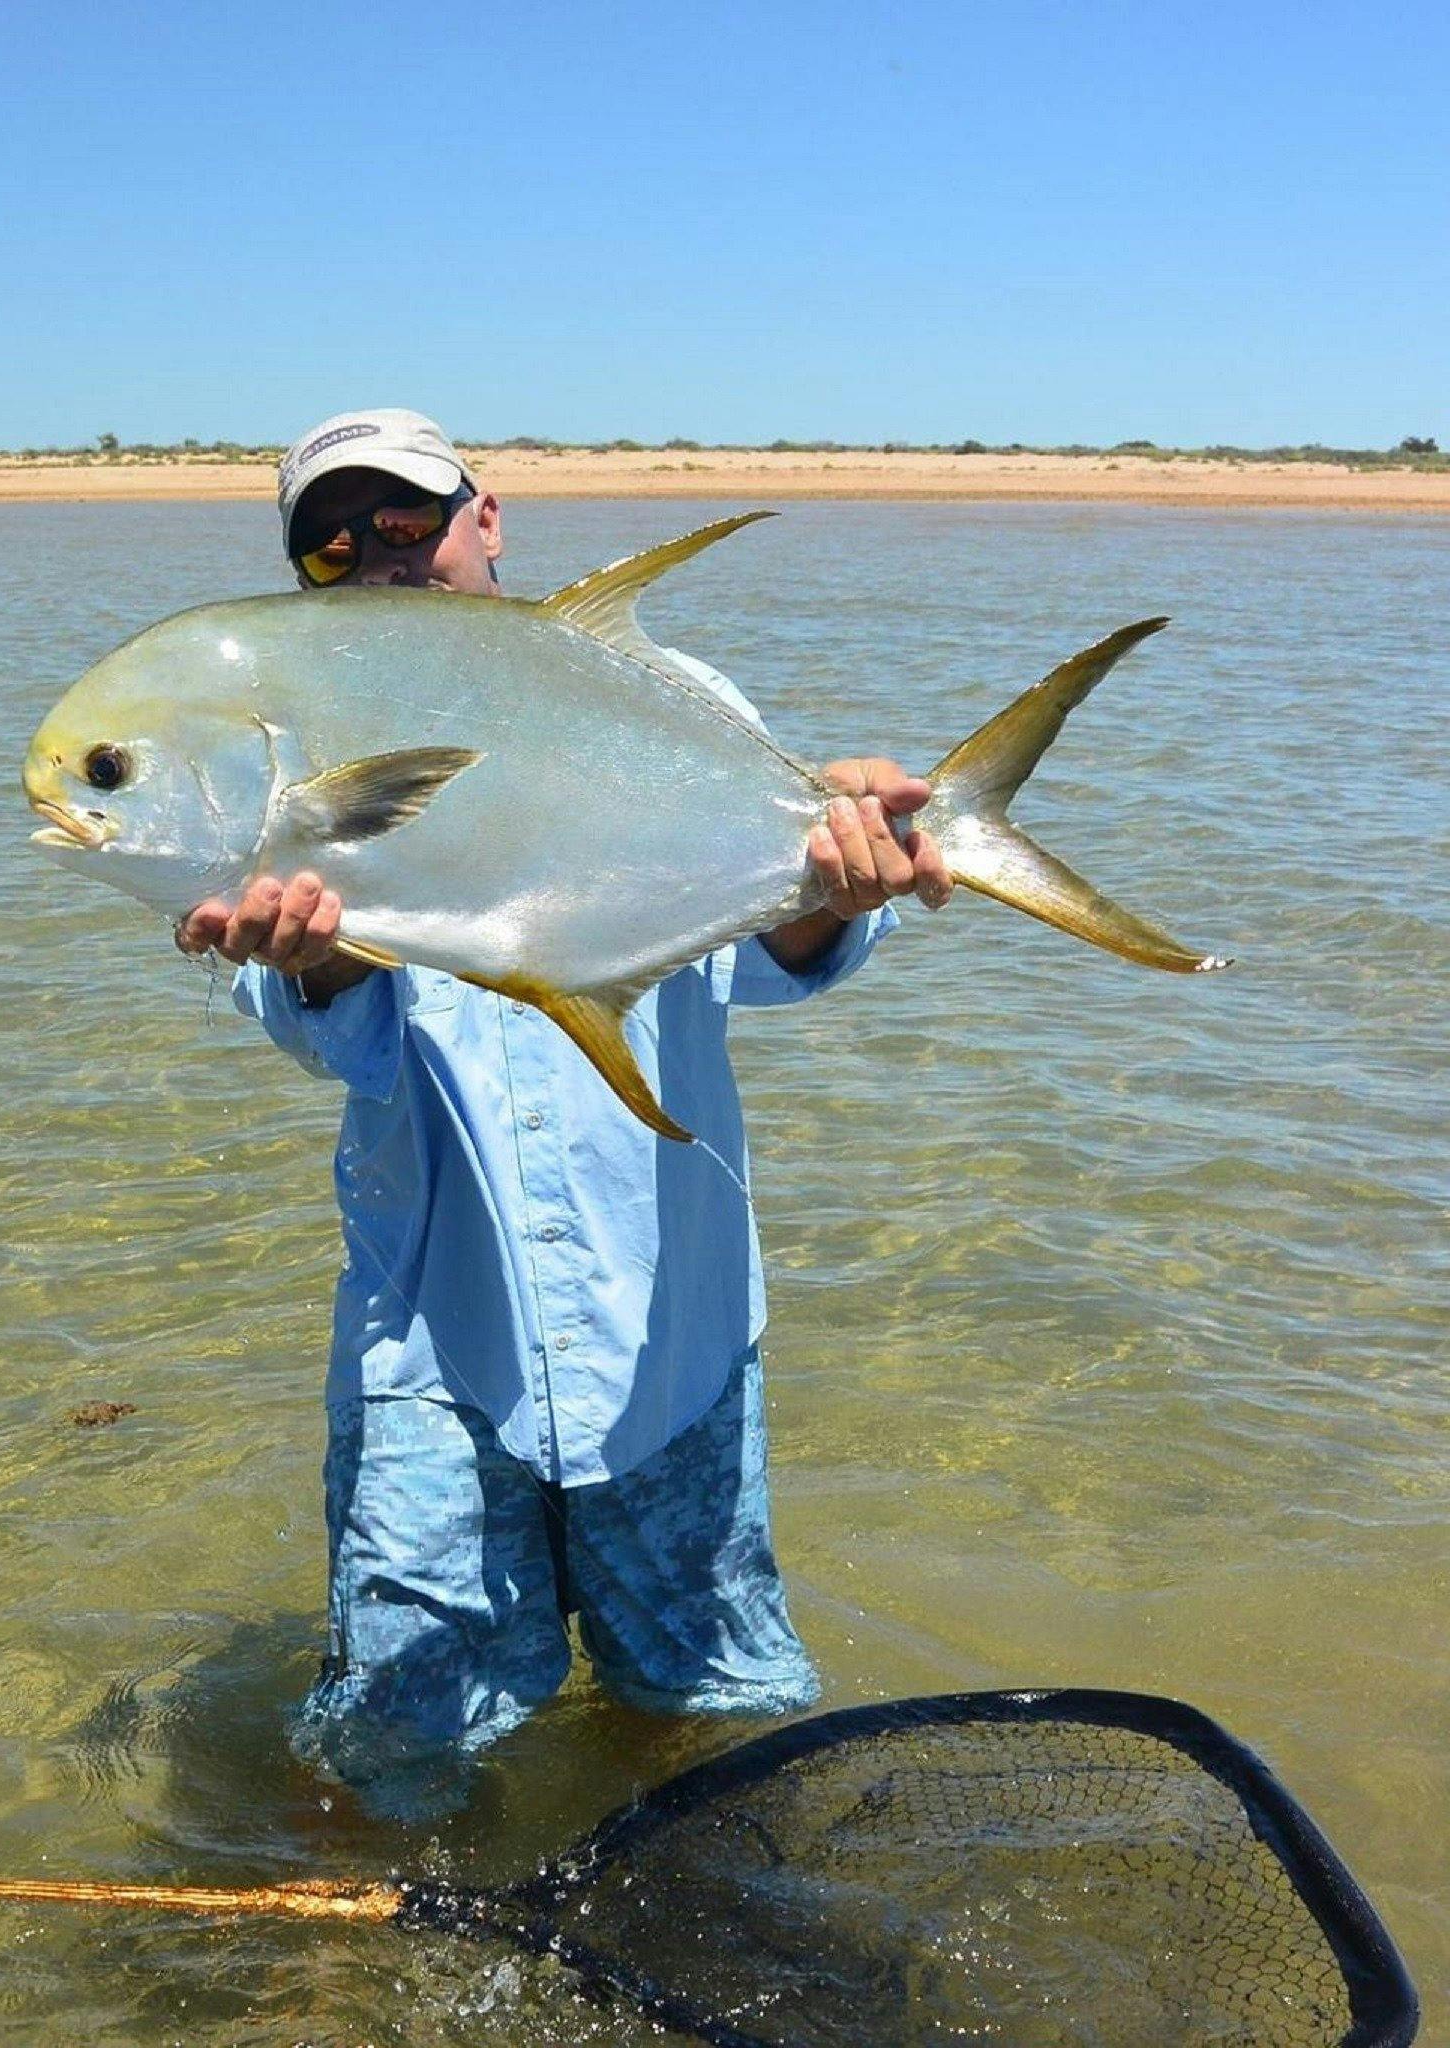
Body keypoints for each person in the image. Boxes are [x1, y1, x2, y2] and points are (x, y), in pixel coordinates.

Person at [174, 409, 950, 1797]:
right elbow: (326, 1038)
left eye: (408, 521)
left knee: (707, 1720)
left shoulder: (674, 694)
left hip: (672, 1329)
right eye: (332, 543)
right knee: (394, 1754)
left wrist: (831, 885)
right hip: (434, 1343)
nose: (378, 559)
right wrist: (320, 947)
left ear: (489, 519)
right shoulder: (296, 760)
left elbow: (765, 964)